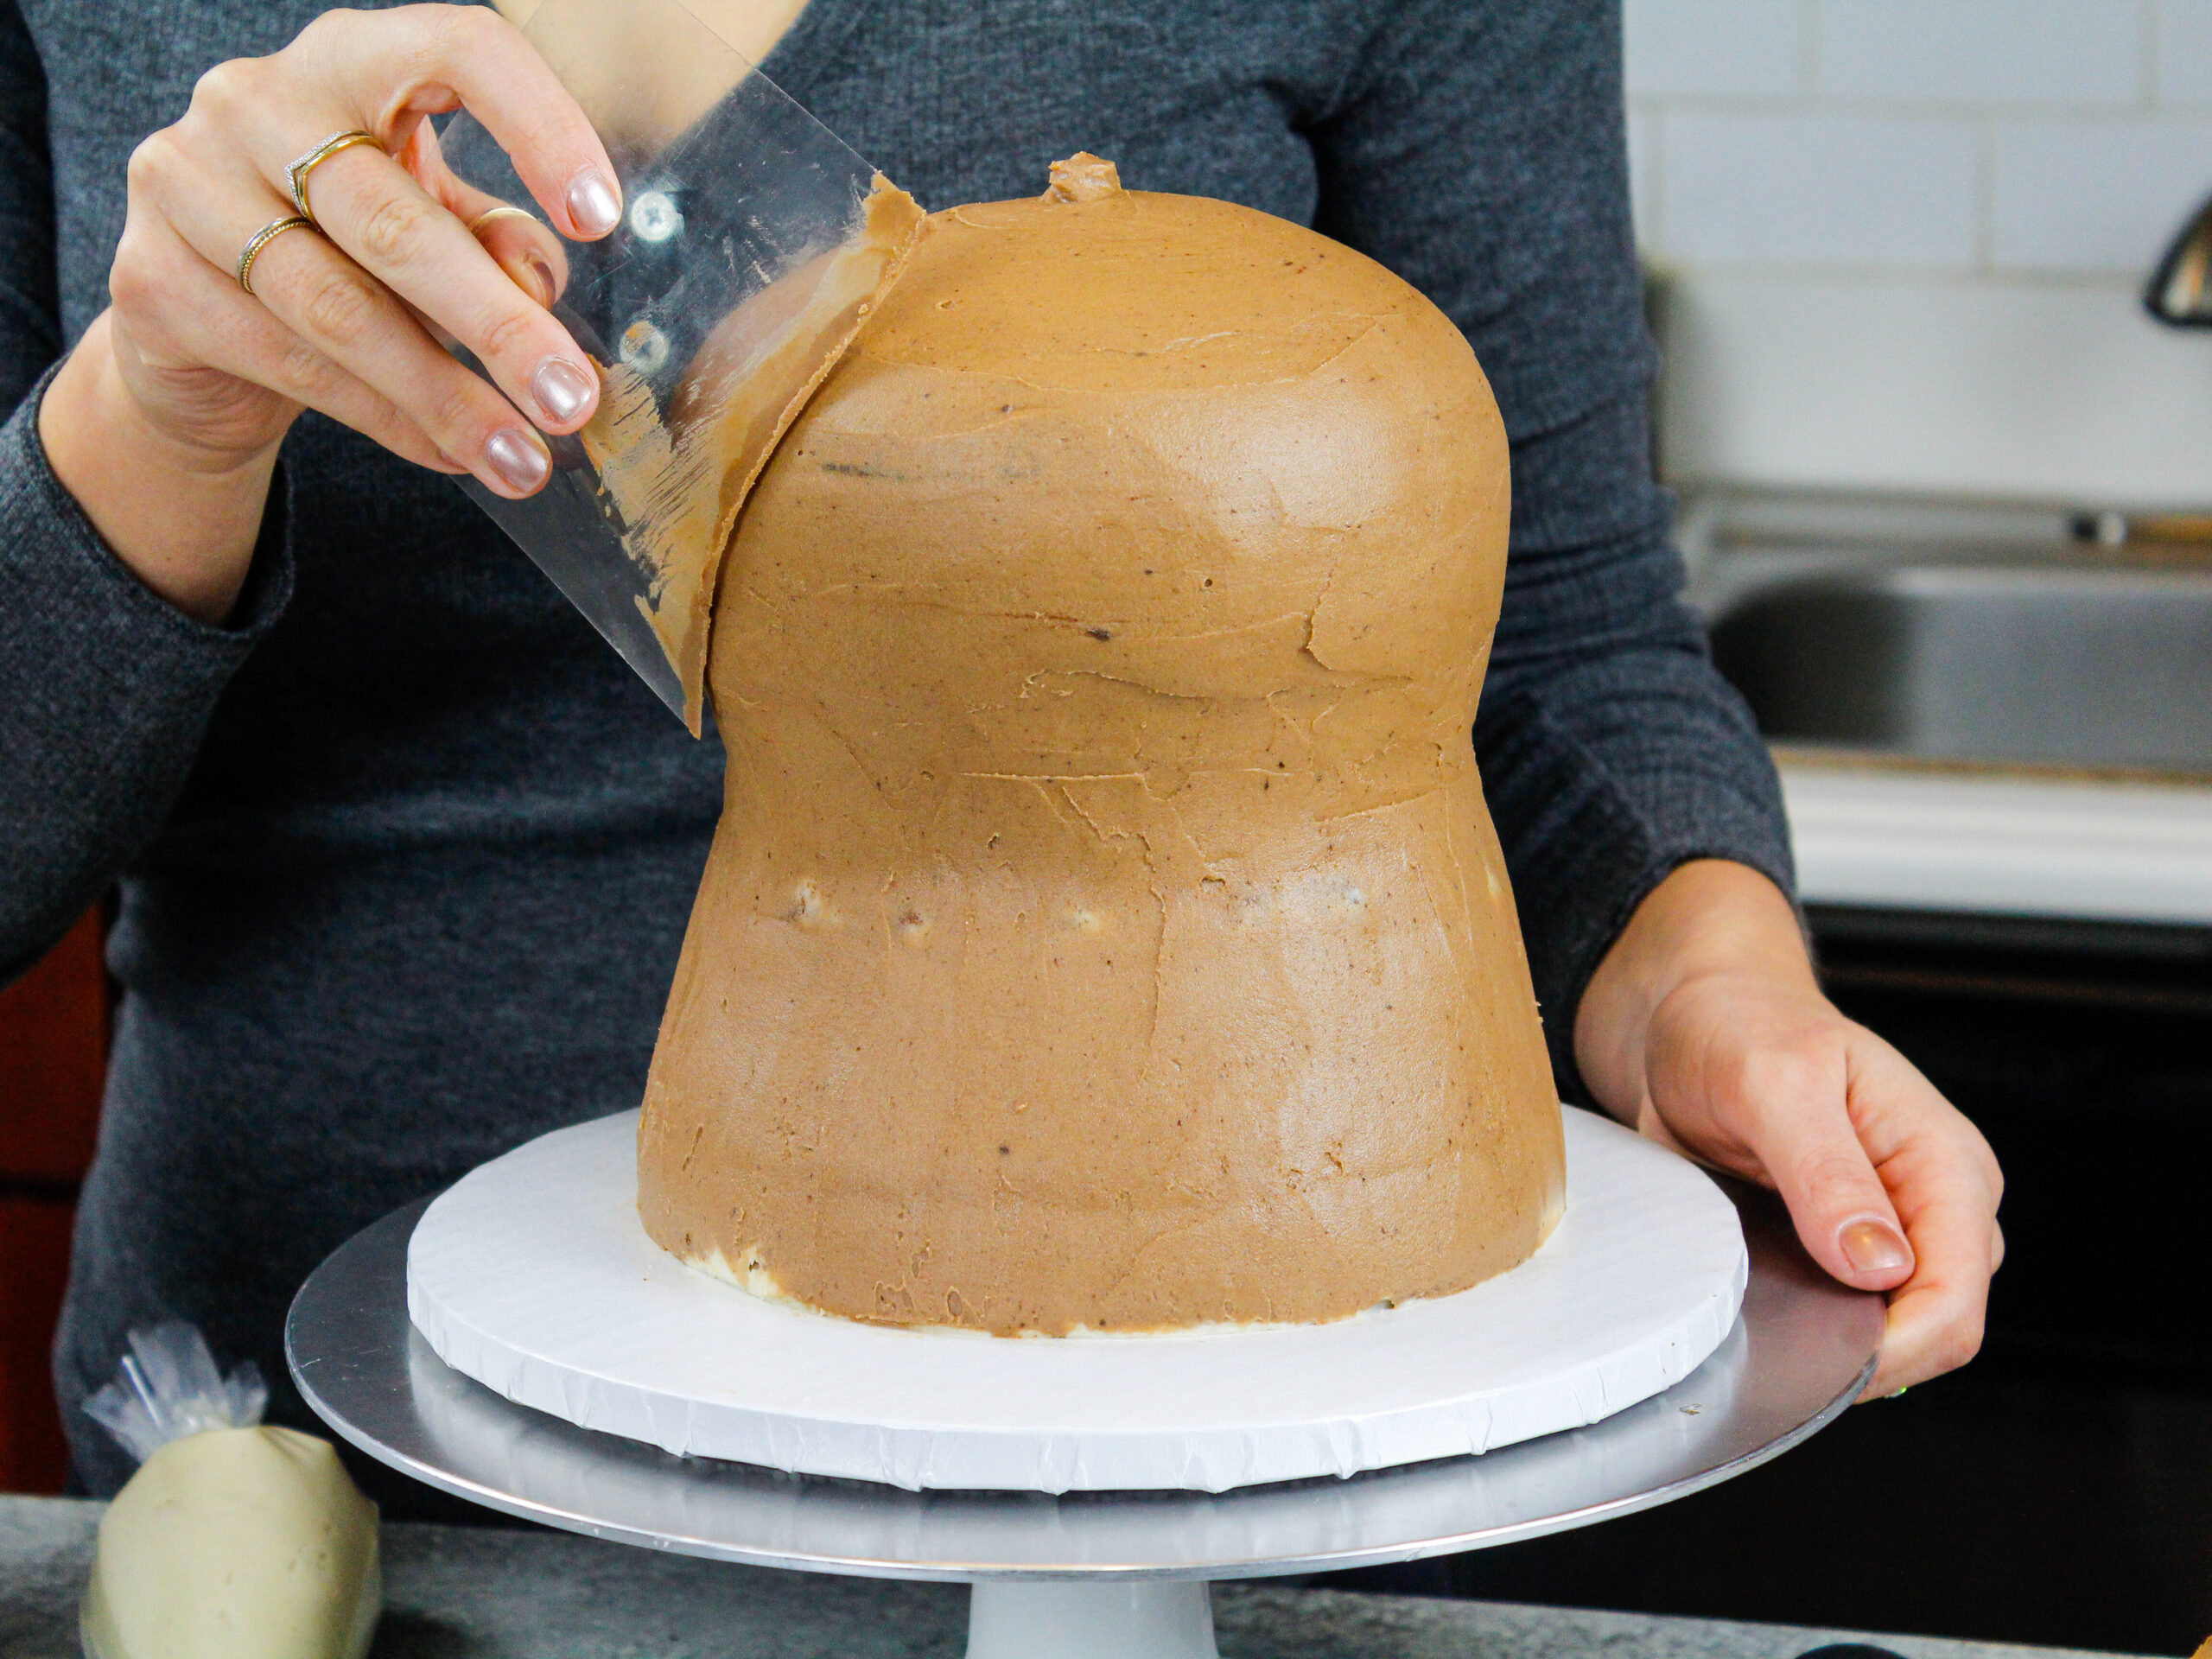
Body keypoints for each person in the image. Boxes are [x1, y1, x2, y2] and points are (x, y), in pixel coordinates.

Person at [0, 0, 2000, 1501]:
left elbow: (1556, 649)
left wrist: (1710, 987)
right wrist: (156, 411)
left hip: (1233, 1482)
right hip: (308, 1464)